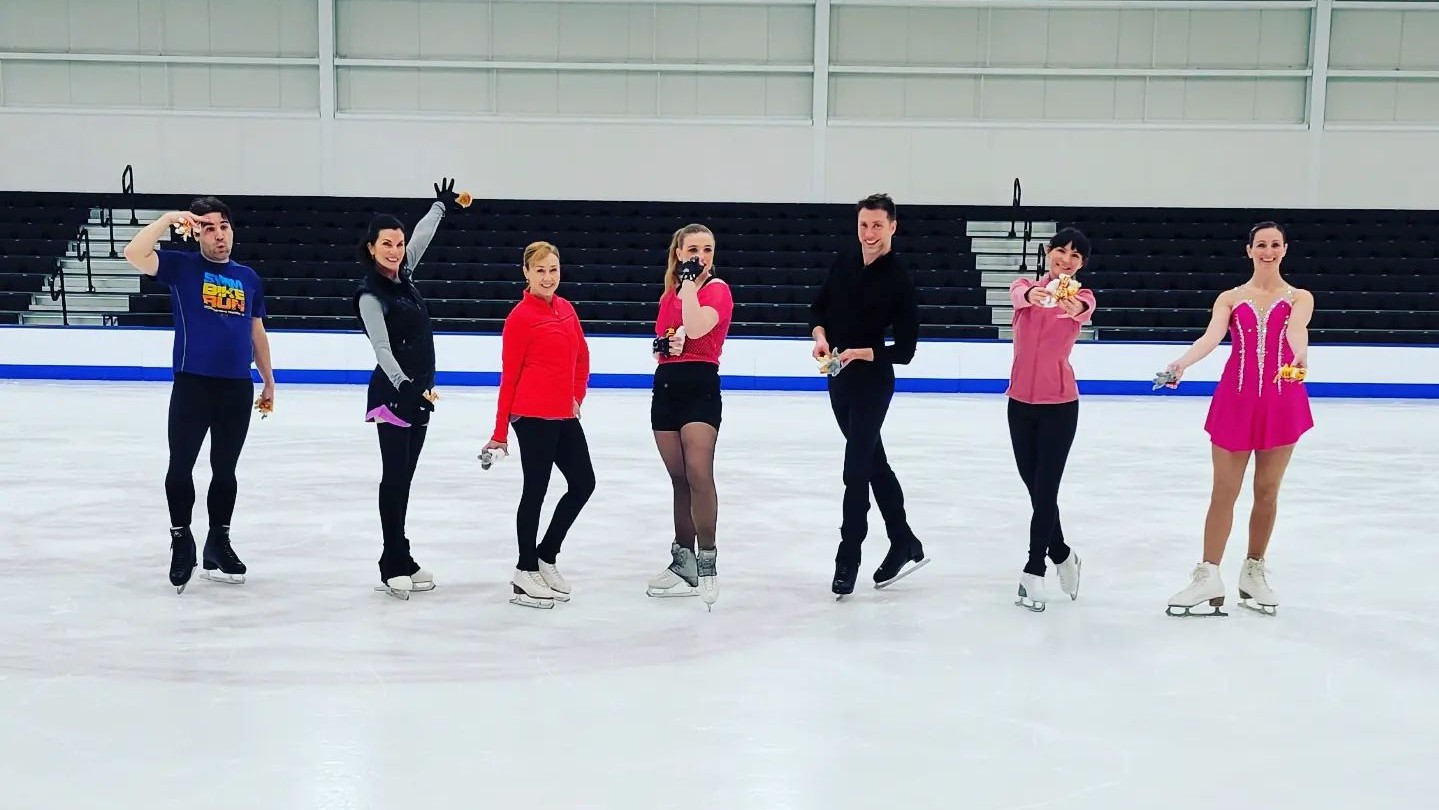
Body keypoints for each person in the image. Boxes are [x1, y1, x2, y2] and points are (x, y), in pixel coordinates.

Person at [1161, 221, 1314, 617]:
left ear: (1285, 249)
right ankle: (1208, 574)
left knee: (1267, 492)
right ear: (1248, 250)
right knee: (1223, 492)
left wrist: (1299, 354)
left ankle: (1253, 570)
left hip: (1281, 399)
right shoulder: (1229, 298)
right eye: (1260, 244)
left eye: (1274, 244)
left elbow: (1297, 331)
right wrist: (1181, 363)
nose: (1268, 251)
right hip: (1235, 400)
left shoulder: (1299, 297)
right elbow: (1210, 338)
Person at [122, 196, 274, 595]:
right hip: (193, 384)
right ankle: (181, 539)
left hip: (236, 388)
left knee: (225, 471)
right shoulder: (182, 267)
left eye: (223, 226)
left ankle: (217, 543)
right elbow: (134, 252)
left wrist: (268, 379)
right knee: (181, 466)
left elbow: (255, 331)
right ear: (196, 234)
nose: (219, 234)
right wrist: (169, 218)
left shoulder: (248, 278)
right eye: (208, 227)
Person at [353, 179, 465, 600]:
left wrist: (439, 206)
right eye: (387, 244)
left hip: (417, 394)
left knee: (406, 478)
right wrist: (403, 386)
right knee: (394, 478)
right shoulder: (370, 294)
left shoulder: (405, 276)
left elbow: (421, 237)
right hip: (392, 396)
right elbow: (381, 348)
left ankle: (403, 553)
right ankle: (391, 560)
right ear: (371, 247)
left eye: (398, 244)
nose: (396, 250)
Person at [809, 193, 925, 598]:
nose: (870, 233)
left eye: (877, 225)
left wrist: (866, 352)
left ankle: (848, 556)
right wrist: (820, 336)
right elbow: (819, 308)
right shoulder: (844, 262)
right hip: (839, 377)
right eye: (864, 225)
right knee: (873, 463)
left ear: (893, 226)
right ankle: (904, 541)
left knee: (855, 468)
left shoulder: (898, 278)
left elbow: (907, 349)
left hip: (874, 381)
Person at [482, 241, 595, 609]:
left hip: (563, 413)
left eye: (553, 270)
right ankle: (524, 568)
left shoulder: (566, 309)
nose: (548, 277)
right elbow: (509, 376)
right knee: (536, 490)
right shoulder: (520, 317)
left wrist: (577, 396)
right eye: (541, 271)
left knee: (583, 483)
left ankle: (546, 555)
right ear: (526, 273)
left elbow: (582, 355)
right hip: (531, 417)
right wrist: (500, 433)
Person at [1005, 228, 1097, 612]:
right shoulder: (1026, 287)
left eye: (1075, 256)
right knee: (1035, 488)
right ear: (1048, 252)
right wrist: (1032, 295)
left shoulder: (1082, 296)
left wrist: (1072, 303)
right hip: (1019, 405)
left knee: (1046, 492)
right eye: (1061, 251)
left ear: (1082, 264)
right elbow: (1017, 294)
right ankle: (1062, 553)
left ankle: (1033, 570)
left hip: (1060, 406)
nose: (1066, 259)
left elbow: (1084, 309)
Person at [644, 223, 733, 610]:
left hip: (699, 388)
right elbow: (662, 342)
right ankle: (683, 561)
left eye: (708, 249)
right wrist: (664, 343)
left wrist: (691, 288)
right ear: (678, 252)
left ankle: (708, 562)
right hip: (667, 388)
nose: (700, 256)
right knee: (680, 480)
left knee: (699, 474)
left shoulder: (717, 289)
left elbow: (697, 326)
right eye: (693, 249)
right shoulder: (669, 295)